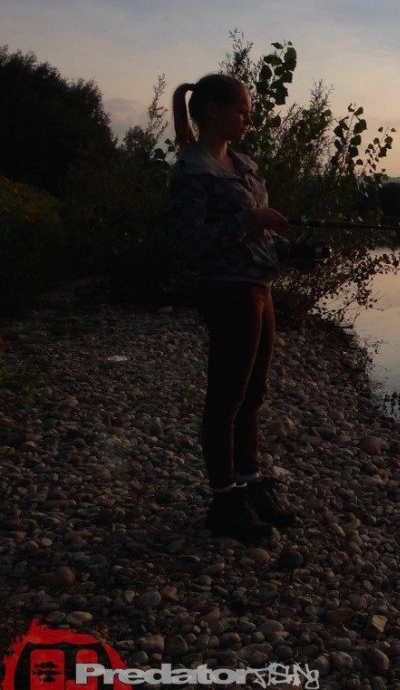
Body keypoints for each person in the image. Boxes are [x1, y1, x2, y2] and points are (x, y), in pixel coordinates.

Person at [170, 73, 297, 544]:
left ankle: (250, 483)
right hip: (228, 291)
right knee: (227, 397)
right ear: (212, 111)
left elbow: (258, 236)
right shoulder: (192, 170)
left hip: (260, 288)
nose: (248, 119)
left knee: (254, 392)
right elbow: (190, 241)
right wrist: (249, 219)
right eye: (242, 111)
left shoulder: (243, 165)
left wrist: (292, 252)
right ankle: (224, 501)